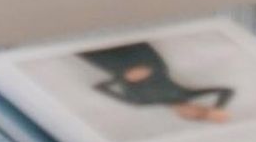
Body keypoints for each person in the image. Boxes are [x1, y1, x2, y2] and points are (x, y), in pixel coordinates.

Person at [81, 42, 234, 122]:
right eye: (197, 109)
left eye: (191, 115)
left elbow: (99, 88)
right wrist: (218, 108)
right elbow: (226, 91)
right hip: (145, 58)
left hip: (116, 64)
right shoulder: (185, 94)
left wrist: (123, 77)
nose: (190, 110)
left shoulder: (141, 103)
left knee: (85, 45)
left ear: (180, 115)